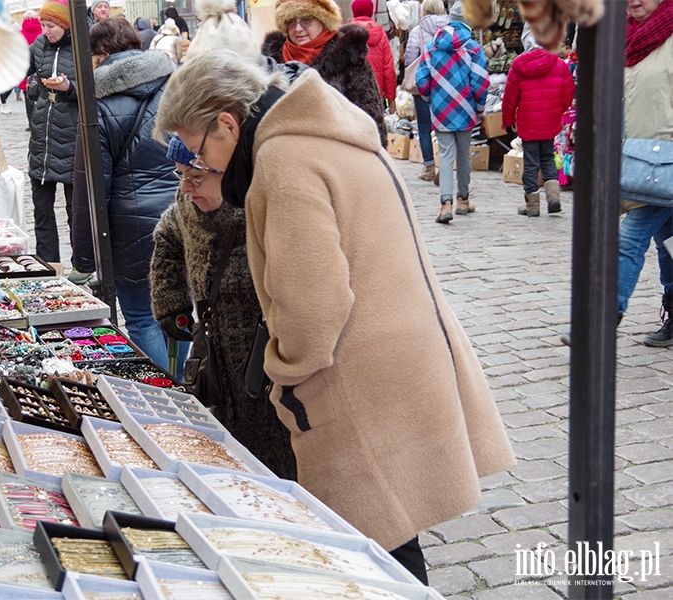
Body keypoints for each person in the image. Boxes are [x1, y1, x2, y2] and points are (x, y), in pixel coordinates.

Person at [154, 50, 515, 584]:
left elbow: (311, 306)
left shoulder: (283, 159)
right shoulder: (328, 128)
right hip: (401, 355)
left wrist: (283, 374)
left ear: (227, 123)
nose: (201, 163)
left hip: (356, 373)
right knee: (388, 528)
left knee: (373, 539)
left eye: (197, 146)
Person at [150, 137, 298, 479]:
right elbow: (167, 236)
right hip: (217, 366)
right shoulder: (188, 204)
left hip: (269, 369)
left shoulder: (262, 207)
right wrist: (170, 301)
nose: (186, 187)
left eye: (196, 176)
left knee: (281, 465)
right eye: (180, 174)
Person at [72, 18, 179, 368]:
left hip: (131, 232)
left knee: (141, 318)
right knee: (179, 316)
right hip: (184, 217)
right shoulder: (176, 85)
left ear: (100, 56)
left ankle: (170, 399)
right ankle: (188, 389)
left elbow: (90, 185)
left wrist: (85, 258)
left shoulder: (98, 104)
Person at [619, 0, 673, 346]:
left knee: (629, 240)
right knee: (668, 243)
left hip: (666, 162)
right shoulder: (625, 41)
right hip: (638, 161)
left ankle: (599, 322)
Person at [260, 0, 387, 145]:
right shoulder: (272, 61)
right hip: (283, 155)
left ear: (323, 20)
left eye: (307, 19)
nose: (298, 28)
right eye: (291, 21)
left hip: (334, 157)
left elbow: (370, 119)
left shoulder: (347, 57)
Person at [27, 0, 88, 284]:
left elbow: (93, 90)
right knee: (42, 212)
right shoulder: (39, 45)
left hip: (71, 142)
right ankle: (48, 267)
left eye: (50, 26)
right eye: (43, 25)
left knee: (75, 213)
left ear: (65, 24)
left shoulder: (82, 46)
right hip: (43, 142)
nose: (45, 31)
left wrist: (70, 88)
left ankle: (81, 268)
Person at [415, 1, 489, 224]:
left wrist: (431, 99)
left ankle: (445, 204)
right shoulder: (473, 48)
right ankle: (463, 200)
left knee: (445, 156)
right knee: (464, 154)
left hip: (440, 109)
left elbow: (421, 80)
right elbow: (480, 82)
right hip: (466, 109)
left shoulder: (431, 47)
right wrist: (479, 107)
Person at [502, 45, 575, 217]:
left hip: (528, 123)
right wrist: (558, 111)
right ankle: (553, 198)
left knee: (531, 162)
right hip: (549, 121)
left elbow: (509, 98)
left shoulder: (518, 67)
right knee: (547, 158)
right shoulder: (559, 65)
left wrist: (508, 120)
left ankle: (533, 204)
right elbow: (568, 93)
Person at [404, 0, 447, 181]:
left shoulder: (417, 31)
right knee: (444, 126)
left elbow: (409, 58)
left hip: (423, 84)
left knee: (423, 127)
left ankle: (429, 166)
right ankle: (444, 166)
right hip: (446, 83)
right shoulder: (450, 29)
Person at [350, 0, 396, 114]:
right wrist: (391, 98)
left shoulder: (344, 35)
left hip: (349, 94)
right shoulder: (381, 36)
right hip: (375, 92)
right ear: (370, 13)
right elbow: (389, 68)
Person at [20, 10, 42, 127]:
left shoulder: (19, 34)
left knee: (28, 96)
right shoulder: (42, 32)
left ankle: (31, 122)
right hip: (41, 69)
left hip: (26, 68)